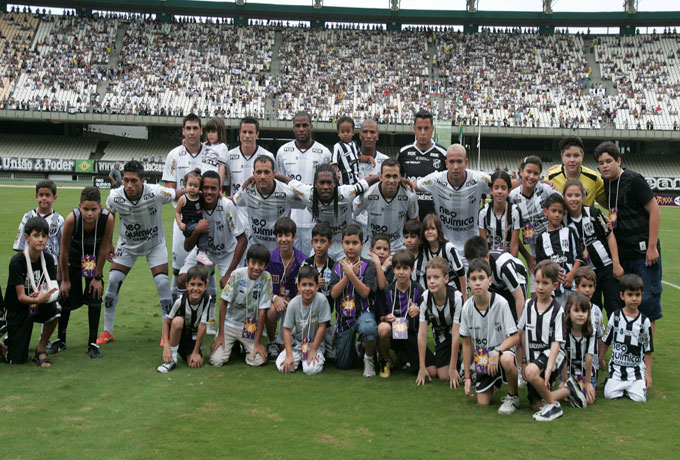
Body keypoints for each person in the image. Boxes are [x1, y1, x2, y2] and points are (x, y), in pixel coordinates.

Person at [97, 161, 185, 345]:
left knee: (162, 283)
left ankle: (165, 332)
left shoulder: (155, 192)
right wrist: (108, 243)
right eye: (126, 180)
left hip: (154, 244)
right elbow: (109, 215)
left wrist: (196, 190)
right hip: (127, 246)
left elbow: (176, 193)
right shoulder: (114, 196)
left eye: (134, 181)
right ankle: (107, 331)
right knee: (113, 282)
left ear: (143, 181)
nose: (129, 185)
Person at [595, 141, 662, 335]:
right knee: (625, 301)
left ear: (619, 160)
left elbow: (655, 211)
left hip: (643, 253)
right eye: (601, 163)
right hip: (623, 254)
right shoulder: (606, 183)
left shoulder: (634, 180)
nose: (605, 165)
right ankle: (628, 344)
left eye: (609, 161)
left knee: (647, 302)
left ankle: (645, 352)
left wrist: (651, 247)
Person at [179, 171, 247, 334]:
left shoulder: (226, 205)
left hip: (227, 253)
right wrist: (196, 230)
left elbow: (242, 239)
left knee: (233, 289)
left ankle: (230, 328)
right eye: (206, 188)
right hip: (205, 253)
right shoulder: (193, 205)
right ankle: (198, 321)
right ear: (201, 189)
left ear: (219, 190)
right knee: (183, 279)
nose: (209, 192)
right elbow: (188, 246)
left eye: (213, 188)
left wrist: (228, 273)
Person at [49, 186, 114, 359]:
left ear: (100, 207)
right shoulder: (72, 220)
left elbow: (104, 248)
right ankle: (60, 340)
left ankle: (92, 343)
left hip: (92, 260)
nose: (90, 214)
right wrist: (65, 280)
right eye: (86, 209)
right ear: (79, 207)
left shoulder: (108, 219)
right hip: (73, 259)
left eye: (94, 209)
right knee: (66, 297)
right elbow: (63, 251)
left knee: (95, 295)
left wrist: (97, 277)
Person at [162, 113, 219, 300]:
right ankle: (174, 306)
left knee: (206, 266)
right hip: (184, 221)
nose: (192, 132)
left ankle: (208, 314)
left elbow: (216, 185)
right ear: (183, 131)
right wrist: (189, 197)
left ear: (201, 131)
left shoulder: (212, 154)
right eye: (188, 128)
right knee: (179, 266)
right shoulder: (174, 155)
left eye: (196, 128)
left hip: (205, 219)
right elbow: (170, 189)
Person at [410, 144, 490, 266]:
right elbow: (412, 186)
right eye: (452, 162)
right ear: (446, 163)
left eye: (459, 161)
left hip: (472, 250)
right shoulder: (436, 180)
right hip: (445, 249)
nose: (455, 166)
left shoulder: (479, 180)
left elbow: (505, 185)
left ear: (466, 162)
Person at [460, 259, 520, 414]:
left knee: (506, 360)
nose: (478, 283)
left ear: (490, 281)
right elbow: (466, 343)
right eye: (473, 279)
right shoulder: (466, 308)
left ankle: (513, 397)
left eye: (481, 278)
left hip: (501, 352)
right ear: (469, 283)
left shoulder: (501, 303)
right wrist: (467, 377)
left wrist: (498, 350)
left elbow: (515, 337)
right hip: (482, 357)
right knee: (483, 403)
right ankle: (494, 381)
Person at [282, 162, 374, 260]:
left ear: (335, 183)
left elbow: (366, 182)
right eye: (321, 182)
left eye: (329, 182)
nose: (325, 187)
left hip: (344, 245)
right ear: (315, 184)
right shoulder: (307, 193)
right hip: (321, 244)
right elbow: (288, 181)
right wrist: (272, 177)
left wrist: (381, 177)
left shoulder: (346, 193)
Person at [1, 217, 60, 366]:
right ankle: (2, 345)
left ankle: (41, 349)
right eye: (36, 235)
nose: (40, 240)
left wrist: (44, 296)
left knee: (56, 309)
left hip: (36, 304)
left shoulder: (47, 259)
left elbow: (53, 289)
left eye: (44, 236)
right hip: (17, 309)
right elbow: (21, 297)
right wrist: (37, 299)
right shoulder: (17, 262)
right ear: (27, 238)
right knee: (16, 359)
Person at [563, 179, 623, 316]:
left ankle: (613, 336)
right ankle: (595, 336)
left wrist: (616, 263)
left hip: (607, 268)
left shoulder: (594, 213)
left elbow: (609, 236)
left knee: (614, 305)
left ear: (583, 196)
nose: (573, 199)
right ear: (564, 197)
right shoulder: (563, 221)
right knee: (591, 309)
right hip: (585, 273)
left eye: (577, 195)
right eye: (569, 195)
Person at [276, 111, 332, 255]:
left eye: (305, 125)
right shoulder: (283, 152)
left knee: (312, 264)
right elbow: (280, 183)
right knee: (292, 262)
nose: (301, 129)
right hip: (290, 219)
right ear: (293, 128)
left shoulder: (324, 153)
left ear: (311, 127)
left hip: (315, 220)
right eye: (298, 126)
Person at [518, 260, 568, 422]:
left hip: (552, 355)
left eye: (545, 283)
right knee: (535, 403)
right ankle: (569, 390)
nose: (540, 287)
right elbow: (522, 333)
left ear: (554, 285)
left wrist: (548, 369)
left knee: (532, 372)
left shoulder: (557, 310)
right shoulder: (529, 305)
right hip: (533, 358)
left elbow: (556, 343)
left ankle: (554, 406)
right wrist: (523, 361)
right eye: (537, 282)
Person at [209, 244, 272, 367]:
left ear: (266, 266)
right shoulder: (236, 274)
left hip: (250, 327)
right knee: (216, 361)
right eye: (253, 262)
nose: (256, 267)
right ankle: (232, 344)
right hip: (230, 325)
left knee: (258, 361)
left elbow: (263, 311)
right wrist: (221, 334)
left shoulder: (266, 278)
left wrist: (258, 342)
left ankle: (243, 345)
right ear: (247, 262)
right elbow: (223, 303)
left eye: (261, 264)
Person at [329, 224, 378, 376]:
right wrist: (347, 275)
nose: (351, 247)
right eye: (347, 243)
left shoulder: (368, 265)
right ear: (342, 243)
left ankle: (369, 359)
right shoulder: (337, 266)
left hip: (364, 313)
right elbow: (333, 294)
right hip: (344, 317)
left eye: (355, 243)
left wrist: (352, 275)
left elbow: (365, 293)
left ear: (362, 244)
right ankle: (358, 347)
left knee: (369, 329)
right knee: (344, 365)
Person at [233, 155, 306, 252]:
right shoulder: (246, 190)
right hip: (255, 249)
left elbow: (305, 202)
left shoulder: (287, 193)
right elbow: (234, 201)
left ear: (274, 174)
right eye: (259, 172)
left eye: (267, 172)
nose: (262, 176)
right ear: (253, 174)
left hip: (279, 251)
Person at [602, 274, 654, 403]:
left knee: (640, 398)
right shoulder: (615, 317)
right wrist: (600, 359)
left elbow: (648, 349)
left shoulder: (644, 321)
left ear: (642, 295)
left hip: (635, 371)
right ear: (622, 295)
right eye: (630, 295)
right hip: (617, 369)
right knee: (609, 394)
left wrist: (648, 374)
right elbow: (606, 341)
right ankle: (612, 381)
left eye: (637, 295)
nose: (634, 299)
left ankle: (634, 385)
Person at [508, 155, 555, 293]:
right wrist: (528, 257)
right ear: (521, 171)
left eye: (536, 173)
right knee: (536, 293)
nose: (532, 176)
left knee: (556, 291)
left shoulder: (546, 190)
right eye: (528, 172)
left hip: (555, 247)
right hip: (535, 253)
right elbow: (513, 234)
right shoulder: (512, 198)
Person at [218, 117, 275, 230]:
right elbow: (227, 186)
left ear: (257, 134)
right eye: (244, 132)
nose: (247, 136)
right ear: (239, 133)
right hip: (236, 214)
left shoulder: (268, 156)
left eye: (251, 132)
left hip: (260, 215)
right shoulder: (229, 156)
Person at [416, 257, 464, 387]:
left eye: (436, 277)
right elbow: (422, 334)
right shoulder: (425, 298)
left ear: (446, 279)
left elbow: (456, 334)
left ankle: (463, 356)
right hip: (440, 336)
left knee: (446, 374)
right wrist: (422, 367)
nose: (431, 281)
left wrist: (453, 368)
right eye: (429, 277)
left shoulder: (457, 298)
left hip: (457, 335)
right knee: (437, 373)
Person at [375, 250, 424, 378]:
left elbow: (428, 315)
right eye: (398, 268)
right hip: (393, 334)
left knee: (422, 370)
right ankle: (385, 361)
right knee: (383, 328)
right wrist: (386, 317)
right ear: (393, 269)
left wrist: (419, 309)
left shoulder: (418, 290)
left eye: (405, 268)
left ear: (412, 270)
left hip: (412, 335)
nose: (401, 272)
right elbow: (380, 315)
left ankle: (403, 356)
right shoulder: (387, 290)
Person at [354, 158, 418, 253]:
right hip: (372, 245)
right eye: (387, 176)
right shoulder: (368, 194)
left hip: (397, 246)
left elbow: (414, 220)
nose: (391, 180)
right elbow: (353, 211)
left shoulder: (409, 195)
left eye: (395, 176)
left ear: (400, 177)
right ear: (380, 177)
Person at [277, 265, 332, 375]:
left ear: (317, 286)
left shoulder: (322, 300)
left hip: (314, 344)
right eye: (304, 285)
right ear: (298, 286)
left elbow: (322, 326)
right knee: (283, 367)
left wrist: (313, 350)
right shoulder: (293, 303)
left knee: (310, 370)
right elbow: (287, 329)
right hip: (296, 344)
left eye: (311, 285)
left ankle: (312, 358)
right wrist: (289, 355)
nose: (307, 288)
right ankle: (298, 359)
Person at [265, 217, 307, 359]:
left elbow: (306, 288)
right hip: (276, 301)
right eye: (280, 235)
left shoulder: (303, 260)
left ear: (294, 236)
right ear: (276, 237)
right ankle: (272, 342)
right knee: (270, 311)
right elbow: (263, 286)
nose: (283, 239)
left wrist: (295, 300)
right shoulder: (269, 259)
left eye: (287, 235)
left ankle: (296, 341)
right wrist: (275, 298)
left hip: (296, 302)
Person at [157, 265, 212, 373]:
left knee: (195, 363)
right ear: (186, 285)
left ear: (206, 285)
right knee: (177, 321)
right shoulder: (180, 301)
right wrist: (166, 346)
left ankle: (189, 352)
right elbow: (167, 322)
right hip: (179, 335)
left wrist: (196, 352)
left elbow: (202, 326)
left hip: (193, 337)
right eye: (192, 284)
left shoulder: (207, 299)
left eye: (200, 285)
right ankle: (172, 359)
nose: (195, 288)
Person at [535, 193, 584, 306]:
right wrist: (552, 273)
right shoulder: (541, 238)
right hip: (552, 289)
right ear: (546, 212)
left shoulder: (570, 232)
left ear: (564, 213)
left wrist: (572, 273)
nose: (557, 215)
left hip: (571, 286)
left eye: (560, 212)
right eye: (554, 211)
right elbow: (540, 264)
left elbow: (579, 257)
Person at [397, 110, 447, 220]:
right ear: (414, 129)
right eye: (419, 128)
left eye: (426, 128)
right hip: (410, 216)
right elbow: (397, 180)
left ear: (432, 129)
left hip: (435, 217)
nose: (423, 132)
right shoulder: (404, 152)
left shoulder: (443, 154)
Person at [463, 236, 527, 321]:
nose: (477, 268)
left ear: (487, 257)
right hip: (496, 285)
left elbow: (519, 298)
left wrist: (520, 329)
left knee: (512, 319)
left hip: (517, 280)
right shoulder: (472, 271)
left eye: (480, 263)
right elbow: (476, 299)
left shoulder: (504, 266)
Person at [301, 222, 336, 359]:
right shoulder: (306, 264)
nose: (319, 245)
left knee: (334, 356)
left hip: (327, 319)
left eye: (323, 241)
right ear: (311, 242)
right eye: (316, 241)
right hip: (308, 317)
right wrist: (314, 286)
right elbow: (298, 293)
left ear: (330, 243)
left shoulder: (334, 267)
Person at [13, 179, 63, 269]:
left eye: (47, 195)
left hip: (51, 265)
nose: (44, 198)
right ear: (36, 196)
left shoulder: (59, 220)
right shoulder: (27, 217)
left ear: (54, 198)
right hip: (29, 264)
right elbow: (20, 245)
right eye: (41, 195)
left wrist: (60, 272)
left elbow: (62, 249)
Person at [547, 135, 606, 208]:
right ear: (562, 156)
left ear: (582, 156)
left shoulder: (594, 178)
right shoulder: (550, 177)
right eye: (568, 156)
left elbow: (608, 204)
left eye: (576, 156)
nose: (572, 160)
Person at [415, 213, 466, 295]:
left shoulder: (449, 248)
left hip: (453, 290)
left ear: (439, 230)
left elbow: (461, 272)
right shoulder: (425, 250)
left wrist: (464, 295)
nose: (429, 232)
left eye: (432, 228)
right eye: (426, 229)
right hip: (436, 291)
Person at [561, 293, 596, 409]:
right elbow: (564, 356)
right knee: (563, 394)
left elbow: (589, 357)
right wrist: (564, 379)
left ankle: (573, 393)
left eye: (584, 311)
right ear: (568, 312)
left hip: (585, 373)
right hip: (569, 372)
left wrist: (588, 382)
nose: (580, 315)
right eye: (576, 311)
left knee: (589, 400)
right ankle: (552, 397)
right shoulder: (565, 331)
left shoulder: (591, 332)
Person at [573, 267, 606, 387]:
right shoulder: (569, 309)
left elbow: (601, 336)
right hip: (572, 364)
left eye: (590, 286)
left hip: (590, 366)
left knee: (587, 397)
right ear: (576, 287)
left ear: (595, 287)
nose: (587, 290)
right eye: (584, 286)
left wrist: (601, 358)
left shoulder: (596, 311)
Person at [478, 170, 521, 257]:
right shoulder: (483, 212)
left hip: (508, 259)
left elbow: (514, 246)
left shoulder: (515, 211)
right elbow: (483, 245)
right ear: (491, 190)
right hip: (491, 260)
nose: (500, 191)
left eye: (503, 188)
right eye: (496, 187)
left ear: (509, 191)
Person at [174, 169, 212, 266]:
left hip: (197, 222)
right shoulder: (183, 199)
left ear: (199, 187)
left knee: (204, 230)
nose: (192, 188)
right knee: (201, 228)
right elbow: (177, 212)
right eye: (190, 185)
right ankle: (202, 253)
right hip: (189, 225)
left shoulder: (199, 197)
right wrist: (180, 223)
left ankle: (202, 254)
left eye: (195, 186)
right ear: (185, 184)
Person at [332, 116, 361, 185]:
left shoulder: (355, 144)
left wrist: (369, 158)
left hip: (356, 179)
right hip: (344, 182)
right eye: (342, 132)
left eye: (348, 131)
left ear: (353, 132)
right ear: (338, 133)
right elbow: (334, 164)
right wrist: (335, 173)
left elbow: (359, 157)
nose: (345, 134)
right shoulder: (337, 147)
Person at [203, 117, 229, 189]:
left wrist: (219, 185)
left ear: (220, 132)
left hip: (213, 181)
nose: (210, 134)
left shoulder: (222, 147)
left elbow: (221, 167)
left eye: (213, 132)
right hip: (202, 180)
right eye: (208, 132)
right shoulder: (204, 145)